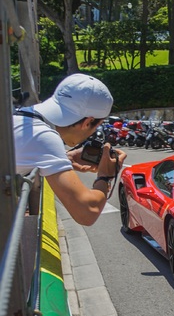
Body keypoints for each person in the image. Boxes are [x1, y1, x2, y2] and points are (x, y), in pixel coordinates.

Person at [13, 73, 126, 226]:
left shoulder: (22, 116)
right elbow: (87, 212)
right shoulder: (43, 136)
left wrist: (65, 159)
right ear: (88, 122)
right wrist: (106, 176)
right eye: (97, 127)